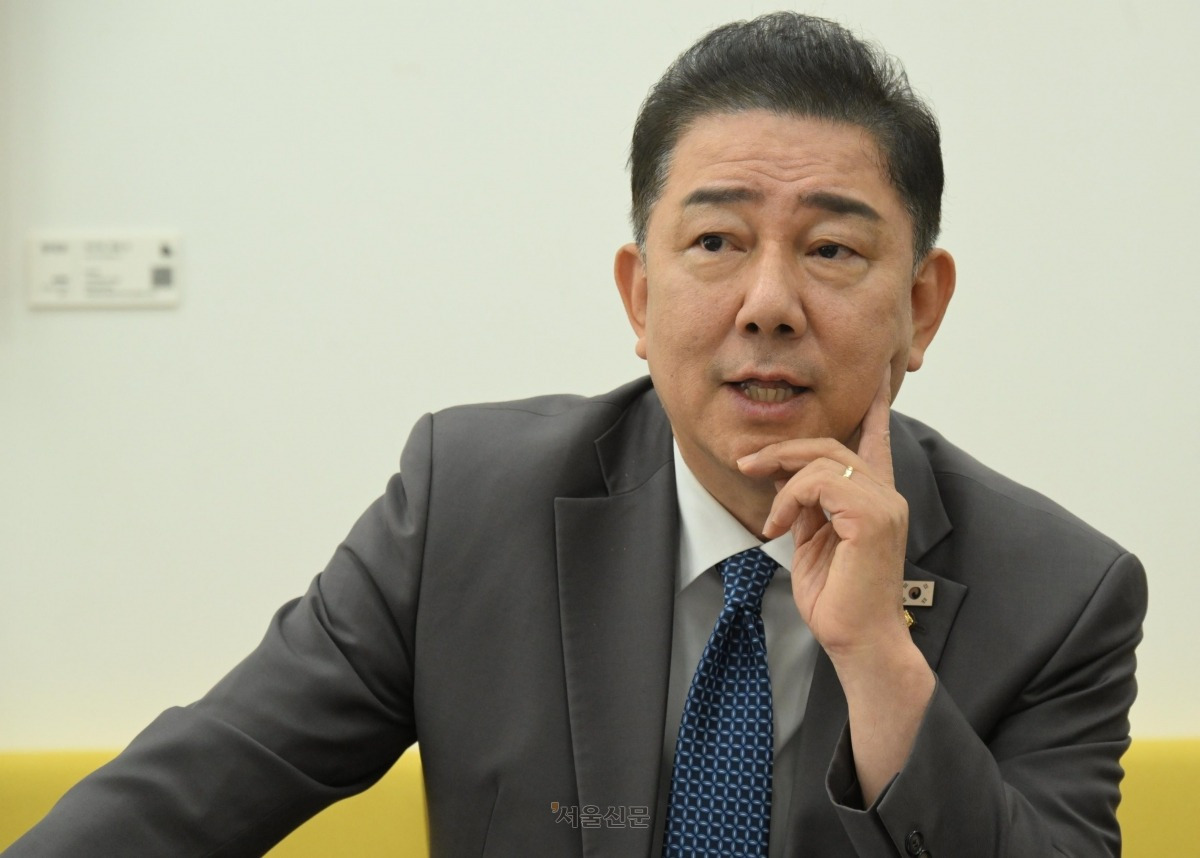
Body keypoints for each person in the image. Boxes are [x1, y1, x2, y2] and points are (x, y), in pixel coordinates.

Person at [4, 12, 1145, 858]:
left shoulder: (1061, 596)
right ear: (638, 297)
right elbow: (190, 798)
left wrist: (882, 665)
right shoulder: (464, 508)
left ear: (921, 309)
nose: (768, 303)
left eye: (833, 250)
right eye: (715, 243)